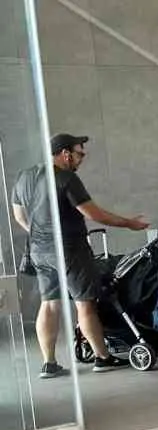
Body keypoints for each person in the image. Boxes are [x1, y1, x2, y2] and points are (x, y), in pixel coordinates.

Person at [10, 133, 147, 377]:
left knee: (49, 304)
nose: (81, 159)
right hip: (70, 250)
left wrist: (41, 233)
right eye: (79, 153)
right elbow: (94, 214)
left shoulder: (24, 177)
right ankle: (102, 358)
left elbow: (19, 216)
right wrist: (129, 223)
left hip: (39, 252)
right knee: (85, 304)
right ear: (65, 154)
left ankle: (49, 363)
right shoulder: (66, 178)